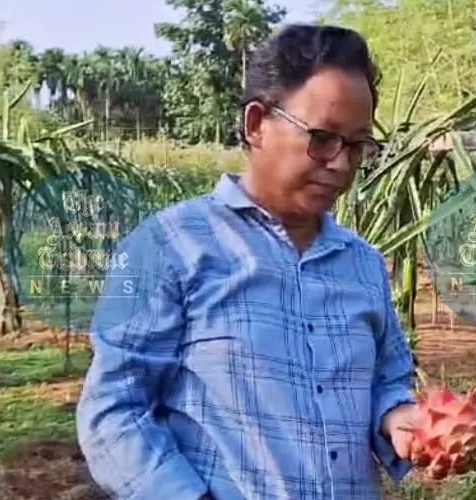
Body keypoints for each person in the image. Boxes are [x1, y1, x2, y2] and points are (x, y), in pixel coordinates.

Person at [76, 23, 419, 500]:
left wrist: (401, 419)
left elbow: (388, 380)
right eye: (323, 138)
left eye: (357, 144)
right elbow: (114, 409)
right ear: (257, 123)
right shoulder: (168, 247)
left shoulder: (362, 264)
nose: (341, 163)